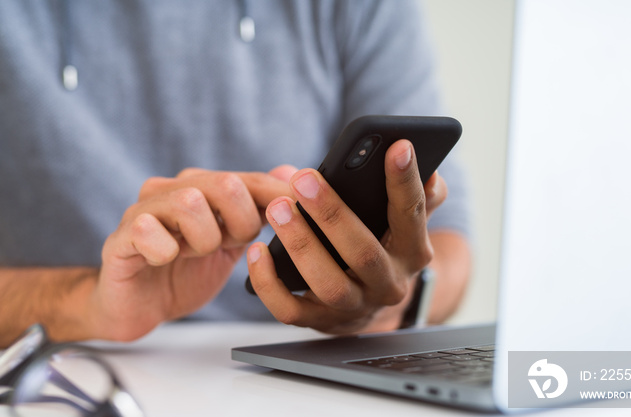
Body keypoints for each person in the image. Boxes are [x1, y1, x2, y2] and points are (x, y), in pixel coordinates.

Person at [0, 0, 472, 346]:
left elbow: (450, 244)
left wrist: (389, 303)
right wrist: (86, 304)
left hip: (306, 367)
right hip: (69, 364)